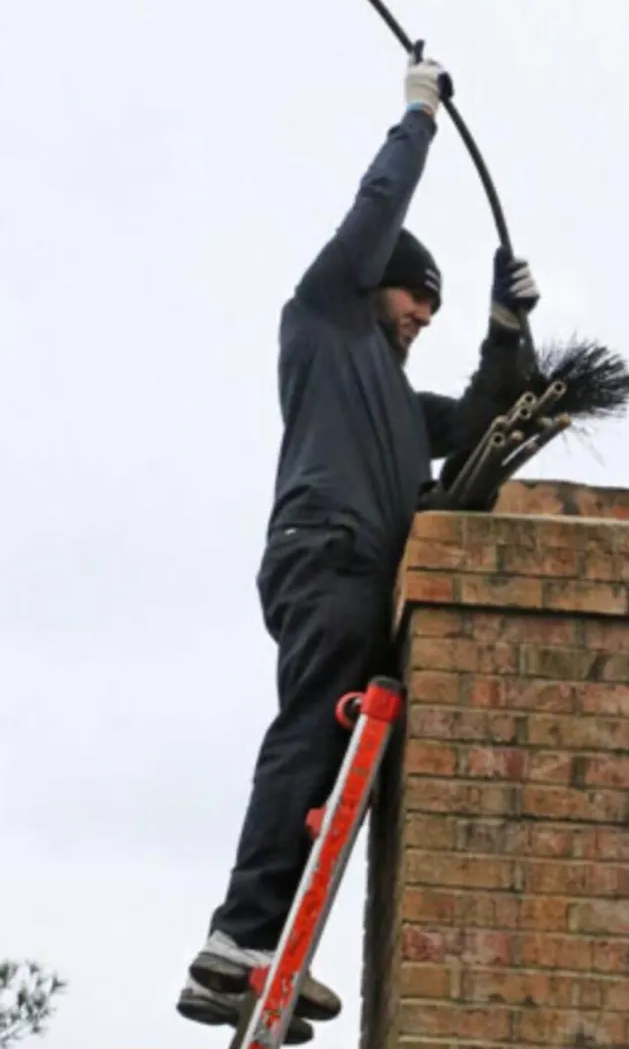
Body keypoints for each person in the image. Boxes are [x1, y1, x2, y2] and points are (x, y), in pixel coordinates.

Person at [176, 52, 540, 1043]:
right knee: (309, 727)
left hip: (347, 568)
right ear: (377, 285)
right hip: (327, 554)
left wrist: (506, 331)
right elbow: (374, 207)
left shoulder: (389, 391)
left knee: (328, 740)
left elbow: (475, 425)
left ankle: (252, 959)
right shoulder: (328, 317)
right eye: (418, 297)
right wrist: (417, 117)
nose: (425, 314)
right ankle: (238, 937)